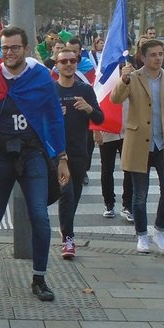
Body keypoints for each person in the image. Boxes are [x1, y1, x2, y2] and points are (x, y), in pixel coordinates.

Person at [0, 26, 69, 302]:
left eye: (15, 47)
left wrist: (62, 157)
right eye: (5, 48)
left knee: (40, 216)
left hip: (32, 153)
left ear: (26, 49)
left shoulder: (41, 78)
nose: (9, 52)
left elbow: (55, 117)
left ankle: (39, 277)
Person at [111, 39, 164, 255]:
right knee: (139, 194)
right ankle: (141, 235)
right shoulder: (133, 78)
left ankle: (160, 231)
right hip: (139, 141)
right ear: (142, 57)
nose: (157, 58)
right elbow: (115, 99)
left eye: (160, 54)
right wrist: (124, 79)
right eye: (153, 54)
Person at [54, 46, 104, 258]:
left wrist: (89, 109)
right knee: (65, 194)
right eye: (63, 61)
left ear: (76, 63)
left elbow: (100, 118)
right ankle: (69, 239)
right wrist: (55, 113)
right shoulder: (51, 90)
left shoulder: (85, 90)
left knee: (73, 197)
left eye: (71, 61)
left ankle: (65, 228)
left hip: (80, 151)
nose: (68, 65)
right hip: (57, 152)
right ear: (56, 66)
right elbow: (40, 121)